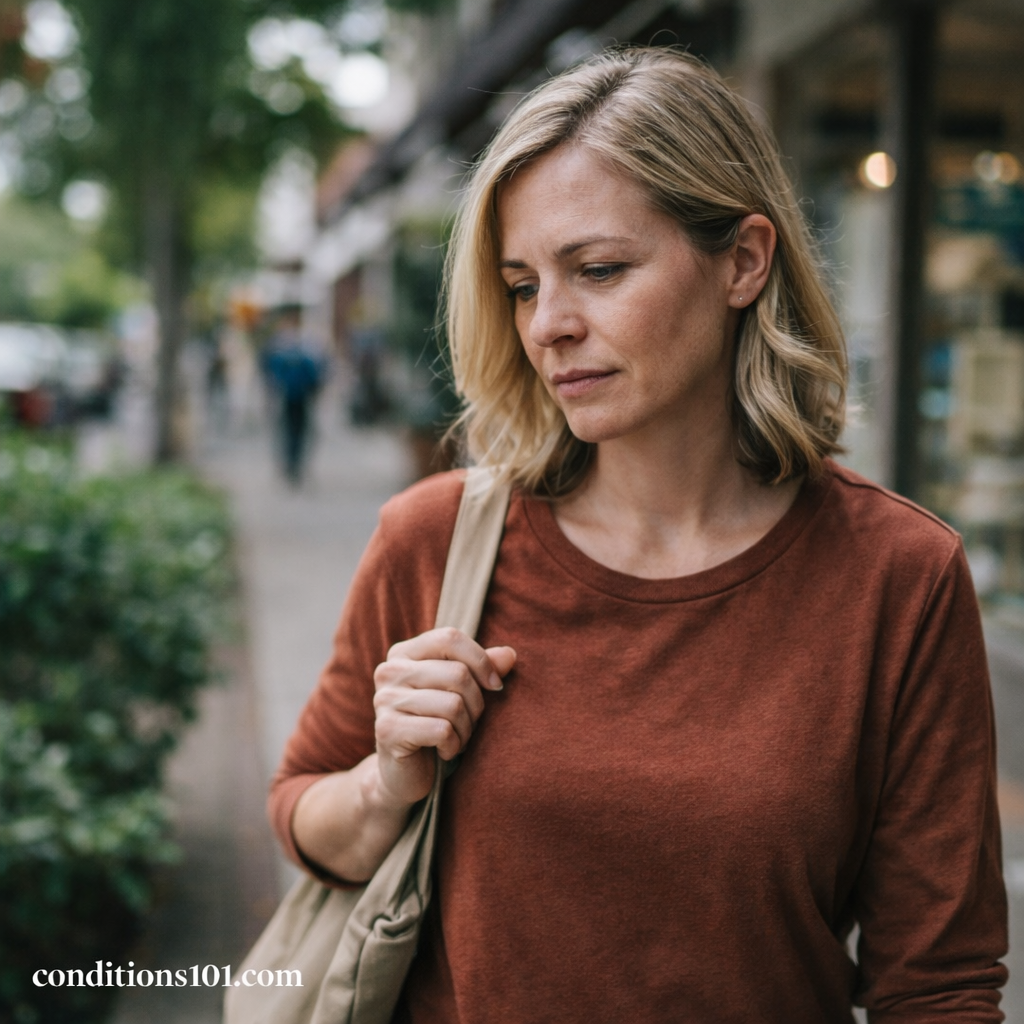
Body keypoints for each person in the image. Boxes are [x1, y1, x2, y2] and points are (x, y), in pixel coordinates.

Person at [269, 47, 1008, 1022]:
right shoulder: (436, 538)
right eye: (523, 283)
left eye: (598, 269)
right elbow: (299, 811)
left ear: (742, 261)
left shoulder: (897, 576)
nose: (548, 325)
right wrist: (384, 784)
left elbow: (939, 985)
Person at [261, 308, 325, 485]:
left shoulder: (280, 349)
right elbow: (314, 373)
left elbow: (271, 372)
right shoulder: (303, 349)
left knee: (289, 431)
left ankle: (290, 464)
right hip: (297, 396)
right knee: (295, 431)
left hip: (289, 396)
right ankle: (293, 464)